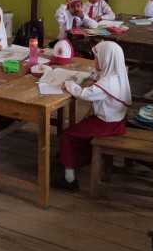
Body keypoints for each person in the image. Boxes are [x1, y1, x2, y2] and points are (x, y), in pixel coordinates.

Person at [51, 41, 131, 192]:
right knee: (81, 126)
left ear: (106, 60)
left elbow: (82, 94)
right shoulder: (117, 74)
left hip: (107, 123)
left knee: (67, 135)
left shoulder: (108, 82)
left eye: (97, 59)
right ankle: (69, 156)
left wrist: (70, 84)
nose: (94, 62)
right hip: (117, 120)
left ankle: (69, 180)